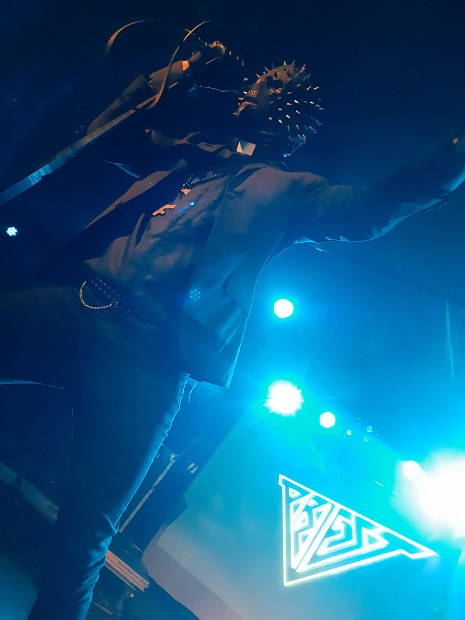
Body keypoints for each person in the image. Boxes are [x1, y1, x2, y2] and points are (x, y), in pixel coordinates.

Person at [1, 27, 465, 620]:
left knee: (85, 534)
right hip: (78, 305)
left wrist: (452, 158)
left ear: (287, 111)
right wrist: (175, 73)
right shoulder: (192, 151)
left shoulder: (292, 189)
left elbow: (367, 212)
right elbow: (103, 134)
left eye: (266, 86)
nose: (249, 88)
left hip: (147, 363)